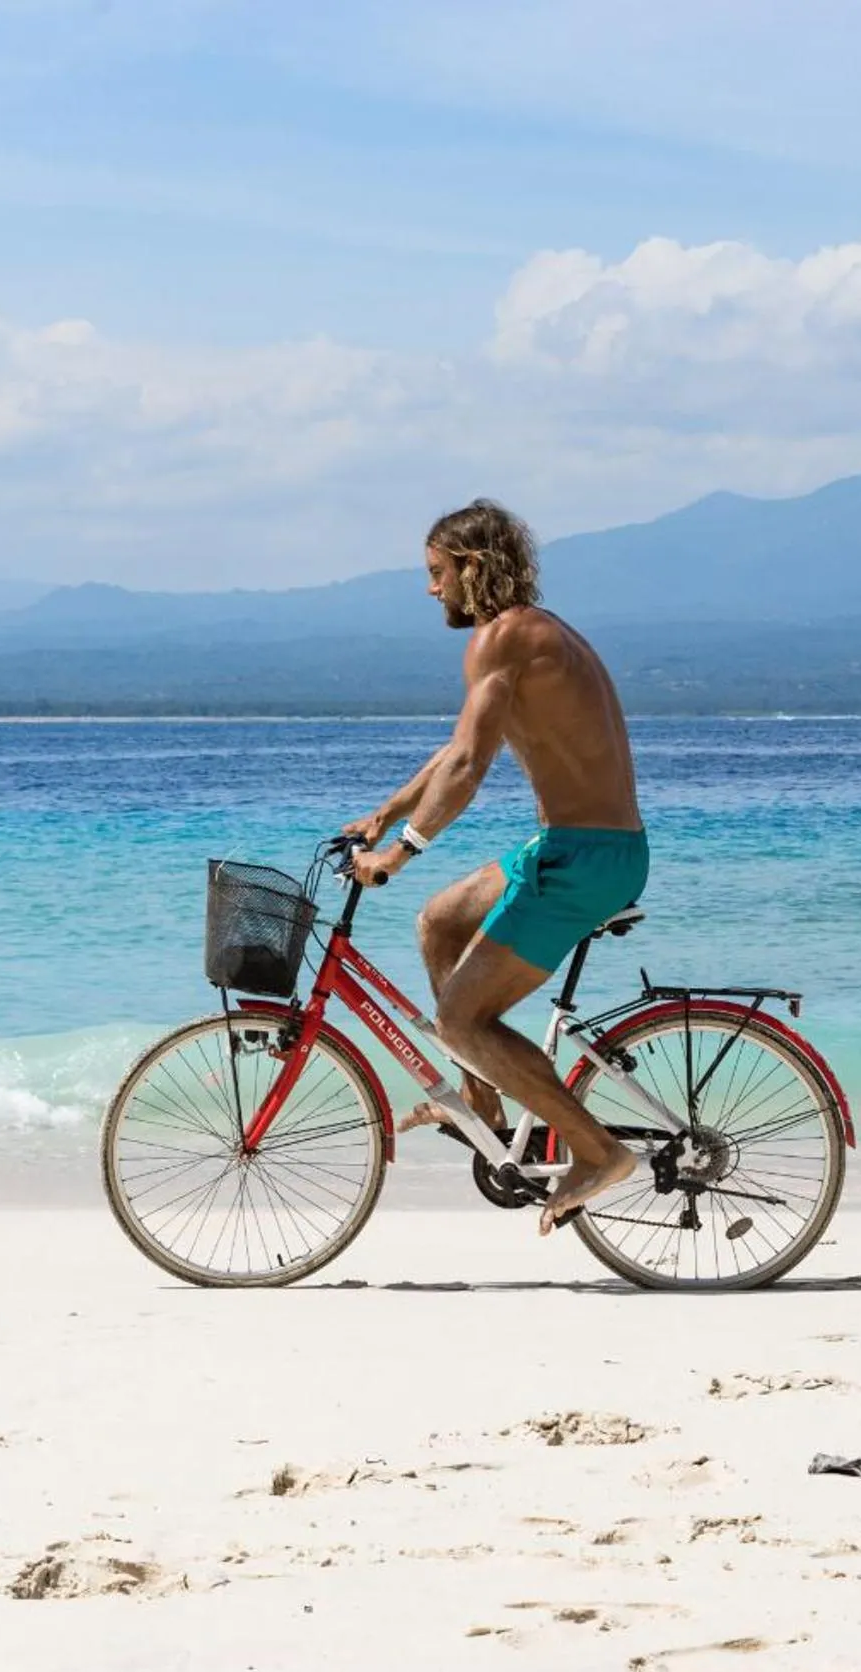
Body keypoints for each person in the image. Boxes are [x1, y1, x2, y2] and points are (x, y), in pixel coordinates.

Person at [344, 499, 648, 1233]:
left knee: (459, 1018)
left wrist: (399, 853)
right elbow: (456, 748)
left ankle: (598, 1151)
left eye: (437, 573)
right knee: (440, 922)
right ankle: (481, 1100)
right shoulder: (529, 635)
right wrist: (384, 813)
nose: (431, 589)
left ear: (472, 567)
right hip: (571, 849)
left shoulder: (502, 641)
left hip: (585, 860)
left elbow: (471, 767)